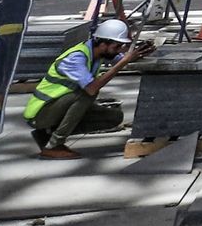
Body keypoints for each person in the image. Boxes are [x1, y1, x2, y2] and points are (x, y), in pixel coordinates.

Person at [24, 18, 150, 158]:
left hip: (55, 108)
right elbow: (92, 88)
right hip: (40, 113)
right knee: (87, 94)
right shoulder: (76, 58)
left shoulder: (98, 53)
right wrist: (123, 63)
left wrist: (136, 54)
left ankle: (45, 134)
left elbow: (120, 59)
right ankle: (53, 145)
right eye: (116, 47)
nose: (118, 50)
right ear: (103, 44)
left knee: (114, 117)